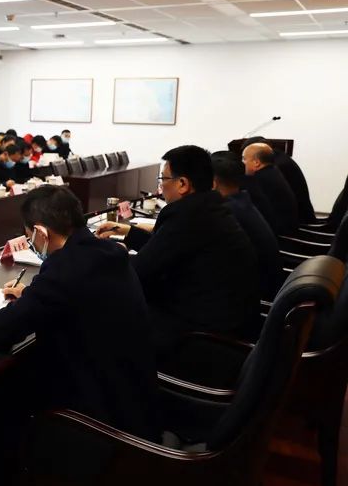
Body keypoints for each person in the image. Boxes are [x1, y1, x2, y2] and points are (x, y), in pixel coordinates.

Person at [0, 186, 158, 440]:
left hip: (97, 423)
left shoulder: (65, 269)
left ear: (41, 232)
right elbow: (77, 296)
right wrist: (31, 293)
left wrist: (29, 299)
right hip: (133, 402)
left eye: (30, 238)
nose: (31, 245)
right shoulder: (110, 252)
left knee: (0, 396)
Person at [96, 145, 259, 352]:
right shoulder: (209, 208)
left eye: (163, 179)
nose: (161, 186)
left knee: (103, 313)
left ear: (182, 184)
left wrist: (112, 253)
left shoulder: (188, 216)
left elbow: (140, 272)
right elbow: (165, 249)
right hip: (224, 322)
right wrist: (129, 233)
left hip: (201, 338)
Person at [211, 151, 281, 299]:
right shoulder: (241, 201)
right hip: (266, 287)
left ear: (212, 183)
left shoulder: (225, 213)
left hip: (256, 297)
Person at [243, 138, 316, 224]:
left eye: (244, 158)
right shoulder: (274, 165)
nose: (243, 162)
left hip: (300, 221)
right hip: (294, 219)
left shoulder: (277, 167)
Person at [242, 142, 298, 234]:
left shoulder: (258, 180)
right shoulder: (273, 171)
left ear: (256, 162)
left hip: (282, 235)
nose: (242, 162)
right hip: (288, 228)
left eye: (244, 159)